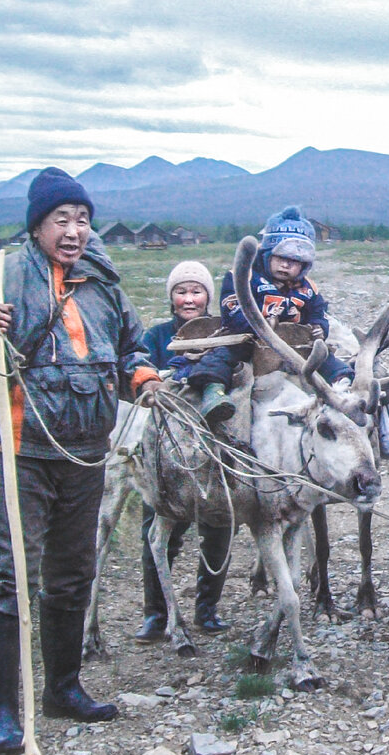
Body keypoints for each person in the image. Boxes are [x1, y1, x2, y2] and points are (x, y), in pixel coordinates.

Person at [0, 167, 162, 755]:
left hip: (87, 453)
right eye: (62, 219)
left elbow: (129, 351)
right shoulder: (1, 277)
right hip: (19, 453)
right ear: (37, 225)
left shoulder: (105, 284)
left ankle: (63, 688)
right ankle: (4, 712)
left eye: (83, 219)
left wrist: (142, 377)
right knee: (8, 578)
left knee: (72, 575)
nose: (75, 230)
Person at [133, 261, 232, 643]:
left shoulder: (226, 334)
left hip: (214, 447)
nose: (189, 299)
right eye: (181, 291)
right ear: (171, 296)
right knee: (157, 532)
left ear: (208, 296)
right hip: (164, 450)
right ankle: (155, 616)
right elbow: (139, 378)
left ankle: (207, 611)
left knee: (219, 527)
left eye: (196, 291)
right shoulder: (155, 337)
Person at [176, 206, 351, 422]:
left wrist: (318, 327)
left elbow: (318, 313)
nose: (286, 264)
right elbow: (231, 310)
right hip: (248, 340)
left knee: (325, 358)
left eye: (295, 261)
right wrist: (258, 324)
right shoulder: (243, 276)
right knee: (221, 356)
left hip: (294, 345)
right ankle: (214, 391)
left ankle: (344, 385)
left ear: (304, 265)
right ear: (267, 252)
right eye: (280, 257)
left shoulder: (308, 288)